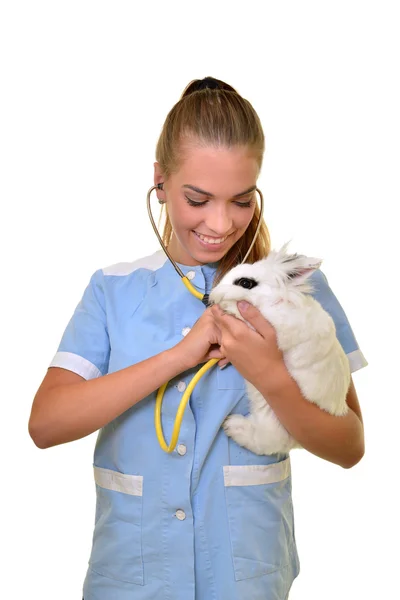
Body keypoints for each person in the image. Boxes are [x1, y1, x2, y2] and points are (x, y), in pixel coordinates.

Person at [28, 76, 367, 600]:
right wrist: (180, 356)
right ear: (160, 182)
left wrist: (269, 374)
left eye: (241, 200)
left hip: (244, 579)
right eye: (198, 198)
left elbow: (349, 447)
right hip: (132, 579)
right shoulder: (112, 290)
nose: (220, 222)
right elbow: (46, 425)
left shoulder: (298, 290)